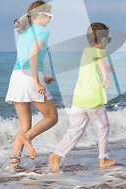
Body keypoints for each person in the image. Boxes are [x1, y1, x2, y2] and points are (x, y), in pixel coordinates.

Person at [49, 22, 117, 172]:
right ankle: (103, 159)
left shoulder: (86, 52)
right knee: (103, 127)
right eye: (108, 40)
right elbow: (99, 59)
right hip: (92, 98)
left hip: (79, 98)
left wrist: (106, 68)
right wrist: (105, 76)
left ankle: (57, 154)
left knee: (76, 129)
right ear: (103, 40)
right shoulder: (101, 52)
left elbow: (96, 62)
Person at [5, 0, 59, 167]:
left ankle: (13, 164)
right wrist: (37, 81)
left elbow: (19, 59)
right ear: (41, 15)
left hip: (16, 76)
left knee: (24, 125)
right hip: (30, 77)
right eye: (49, 16)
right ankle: (28, 138)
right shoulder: (43, 31)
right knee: (51, 117)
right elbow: (33, 55)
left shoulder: (23, 33)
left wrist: (44, 76)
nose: (50, 20)